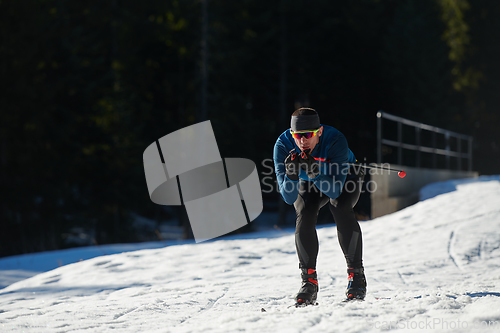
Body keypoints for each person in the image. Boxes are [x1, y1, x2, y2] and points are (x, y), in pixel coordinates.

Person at [273, 107, 366, 305]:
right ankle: (309, 282)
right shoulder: (282, 145)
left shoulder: (335, 140)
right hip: (309, 181)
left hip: (342, 178)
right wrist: (290, 175)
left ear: (319, 132)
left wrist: (314, 171)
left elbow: (334, 191)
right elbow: (289, 198)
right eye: (297, 135)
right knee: (304, 212)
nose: (302, 141)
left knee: (339, 206)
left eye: (308, 135)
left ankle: (356, 277)